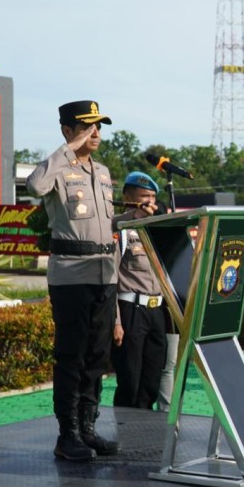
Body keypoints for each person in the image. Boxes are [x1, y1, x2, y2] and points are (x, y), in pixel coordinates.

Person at [26, 100, 119, 462]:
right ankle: (68, 435)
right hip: (71, 275)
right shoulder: (57, 169)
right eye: (88, 127)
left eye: (99, 127)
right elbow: (35, 186)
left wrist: (136, 217)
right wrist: (69, 150)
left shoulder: (103, 172)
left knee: (97, 356)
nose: (95, 134)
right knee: (72, 355)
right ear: (68, 130)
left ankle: (89, 428)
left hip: (104, 272)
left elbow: (105, 223)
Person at [112, 172, 165, 410]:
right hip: (130, 310)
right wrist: (116, 322)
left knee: (151, 381)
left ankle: (145, 435)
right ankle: (125, 434)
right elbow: (110, 278)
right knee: (130, 382)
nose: (150, 203)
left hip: (157, 311)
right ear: (128, 197)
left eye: (153, 197)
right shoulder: (120, 229)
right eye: (144, 196)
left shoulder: (157, 228)